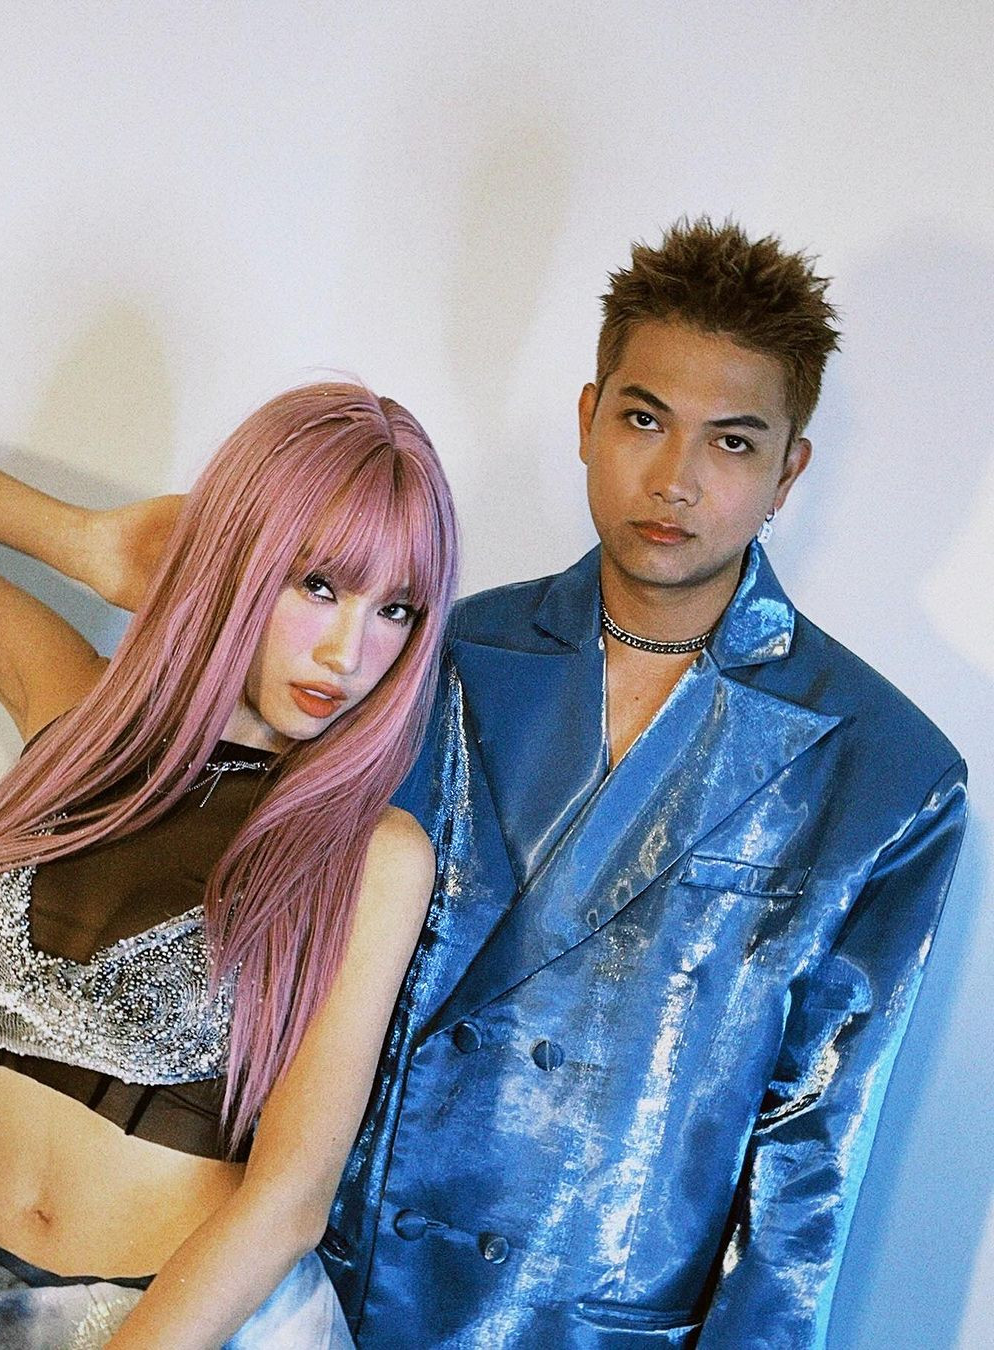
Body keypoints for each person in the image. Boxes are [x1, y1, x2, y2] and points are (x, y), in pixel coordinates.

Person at [318, 221, 969, 1347]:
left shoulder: (887, 773)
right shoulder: (434, 656)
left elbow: (813, 1151)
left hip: (597, 1327)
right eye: (643, 420)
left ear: (787, 470)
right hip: (341, 1288)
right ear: (587, 419)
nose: (675, 480)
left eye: (732, 442)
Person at [0, 382, 459, 1348]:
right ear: (240, 559)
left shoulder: (372, 854)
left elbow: (289, 1203)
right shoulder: (70, 715)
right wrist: (84, 543)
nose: (349, 652)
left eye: (397, 610)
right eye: (319, 585)